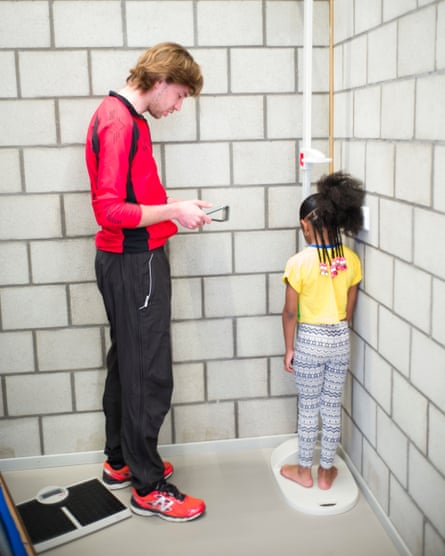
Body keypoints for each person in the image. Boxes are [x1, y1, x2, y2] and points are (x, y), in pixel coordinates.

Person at [85, 42, 212, 522]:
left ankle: (121, 461)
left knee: (128, 363)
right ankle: (148, 486)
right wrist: (174, 212)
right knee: (147, 374)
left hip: (130, 259)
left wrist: (175, 209)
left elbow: (135, 197)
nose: (177, 106)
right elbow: (110, 210)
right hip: (134, 263)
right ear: (159, 81)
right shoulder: (119, 122)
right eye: (178, 96)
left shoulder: (128, 118)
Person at [280, 171, 364, 490]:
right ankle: (326, 472)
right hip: (340, 339)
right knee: (331, 406)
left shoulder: (299, 263)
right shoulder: (352, 260)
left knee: (308, 406)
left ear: (305, 225)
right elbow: (349, 311)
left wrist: (290, 348)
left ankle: (304, 471)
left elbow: (290, 312)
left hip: (311, 340)